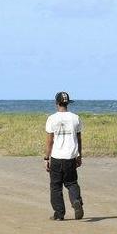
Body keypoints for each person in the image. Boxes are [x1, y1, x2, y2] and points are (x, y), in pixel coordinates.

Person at [44, 91, 84, 221]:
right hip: (70, 156)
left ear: (57, 103)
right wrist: (79, 155)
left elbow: (50, 140)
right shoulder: (75, 118)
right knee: (72, 183)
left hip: (56, 156)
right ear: (67, 103)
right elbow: (78, 139)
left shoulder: (52, 118)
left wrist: (46, 157)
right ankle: (76, 200)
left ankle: (59, 214)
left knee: (56, 186)